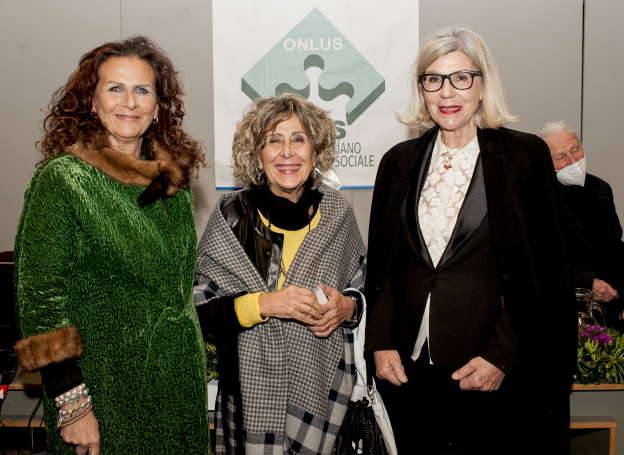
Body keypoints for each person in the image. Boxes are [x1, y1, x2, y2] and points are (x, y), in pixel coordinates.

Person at [365, 26, 576, 454]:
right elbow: (385, 266)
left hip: (492, 370)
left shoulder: (523, 158)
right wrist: (381, 342)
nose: (447, 92)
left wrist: (502, 355)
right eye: (434, 79)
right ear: (421, 89)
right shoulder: (398, 162)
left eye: (461, 77)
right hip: (410, 372)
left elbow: (546, 271)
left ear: (482, 86)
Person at [13, 36, 210, 454]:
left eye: (143, 90)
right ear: (92, 100)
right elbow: (40, 301)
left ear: (158, 107)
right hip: (104, 396)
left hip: (177, 393)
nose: (130, 102)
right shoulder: (64, 180)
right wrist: (73, 405)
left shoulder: (172, 188)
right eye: (115, 88)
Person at [194, 94, 366, 454]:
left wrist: (348, 308)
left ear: (315, 151)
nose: (287, 153)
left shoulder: (338, 214)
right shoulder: (232, 216)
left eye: (298, 139)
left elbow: (365, 291)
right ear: (258, 154)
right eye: (274, 140)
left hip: (322, 392)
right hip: (248, 399)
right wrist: (264, 304)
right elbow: (200, 310)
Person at [540, 121, 624, 329]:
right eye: (561, 157)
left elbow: (614, 246)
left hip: (608, 302)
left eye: (575, 149)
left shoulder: (601, 188)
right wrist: (587, 282)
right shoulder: (537, 198)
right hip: (561, 302)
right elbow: (541, 257)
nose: (573, 161)